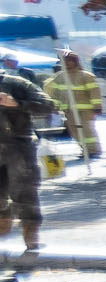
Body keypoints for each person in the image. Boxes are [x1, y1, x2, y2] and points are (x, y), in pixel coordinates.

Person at [0, 63, 52, 253]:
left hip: (18, 148)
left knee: (25, 195)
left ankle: (31, 237)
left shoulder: (16, 84)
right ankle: (5, 214)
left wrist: (17, 104)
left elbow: (48, 106)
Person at [53, 49, 102, 162]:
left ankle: (93, 150)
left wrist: (97, 107)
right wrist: (54, 106)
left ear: (76, 61)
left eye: (70, 60)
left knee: (87, 130)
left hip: (85, 109)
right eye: (65, 60)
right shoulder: (59, 77)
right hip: (68, 109)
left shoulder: (86, 76)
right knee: (73, 131)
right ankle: (84, 150)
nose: (67, 63)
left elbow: (94, 92)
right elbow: (55, 94)